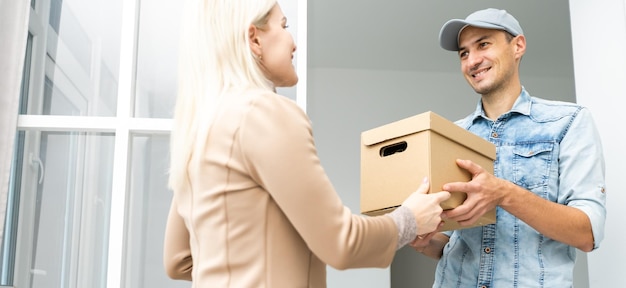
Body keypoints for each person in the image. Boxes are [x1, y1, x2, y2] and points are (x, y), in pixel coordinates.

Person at [162, 0, 451, 287]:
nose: (293, 44)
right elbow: (341, 243)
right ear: (254, 39)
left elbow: (178, 260)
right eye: (284, 26)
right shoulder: (266, 112)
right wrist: (410, 218)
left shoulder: (200, 130)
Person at [409, 8, 607, 287]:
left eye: (483, 44)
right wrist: (423, 240)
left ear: (518, 46)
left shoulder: (569, 122)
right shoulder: (452, 135)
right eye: (464, 53)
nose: (472, 61)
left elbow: (587, 232)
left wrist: (503, 193)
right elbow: (451, 245)